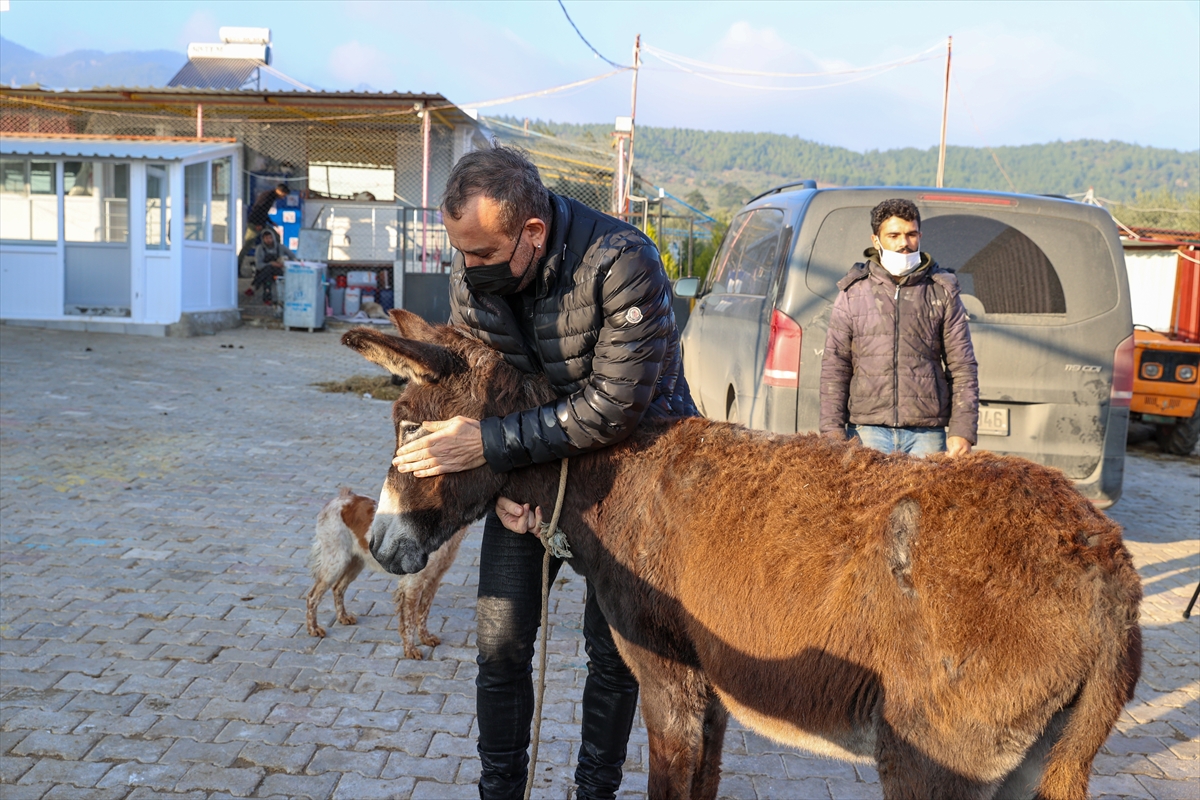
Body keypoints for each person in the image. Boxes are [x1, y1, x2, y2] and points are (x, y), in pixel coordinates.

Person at [391, 146, 696, 800]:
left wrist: (495, 449)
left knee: (611, 657)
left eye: (481, 254)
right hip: (525, 474)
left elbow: (614, 408)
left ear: (532, 233)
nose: (467, 269)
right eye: (460, 250)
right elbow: (484, 390)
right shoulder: (475, 266)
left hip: (630, 478)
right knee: (500, 646)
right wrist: (507, 481)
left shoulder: (622, 262)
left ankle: (595, 791)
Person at [819, 198, 978, 456]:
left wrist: (962, 430)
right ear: (876, 241)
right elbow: (835, 367)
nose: (904, 243)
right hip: (866, 432)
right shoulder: (853, 292)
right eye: (894, 235)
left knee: (927, 498)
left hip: (926, 435)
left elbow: (963, 366)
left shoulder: (942, 291)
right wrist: (832, 433)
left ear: (920, 236)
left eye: (911, 234)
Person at [238, 183, 289, 265]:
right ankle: (237, 266)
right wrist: (258, 224)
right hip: (255, 223)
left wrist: (270, 222)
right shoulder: (267, 196)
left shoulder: (271, 197)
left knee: (276, 237)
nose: (283, 198)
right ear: (279, 191)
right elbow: (258, 209)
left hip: (261, 222)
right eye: (283, 195)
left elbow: (264, 212)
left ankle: (274, 261)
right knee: (248, 245)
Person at [248, 228, 295, 304]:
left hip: (278, 270)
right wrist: (271, 263)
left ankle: (254, 286)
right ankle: (267, 299)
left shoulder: (280, 247)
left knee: (268, 271)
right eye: (266, 238)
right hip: (264, 271)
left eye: (270, 237)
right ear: (263, 239)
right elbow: (258, 265)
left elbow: (293, 256)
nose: (269, 240)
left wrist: (285, 263)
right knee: (268, 272)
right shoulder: (260, 249)